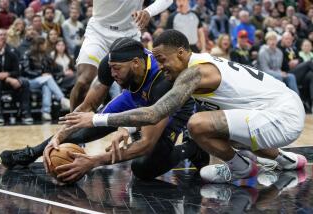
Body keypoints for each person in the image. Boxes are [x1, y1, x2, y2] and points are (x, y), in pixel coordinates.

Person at [61, 30, 307, 184]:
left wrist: (95, 119)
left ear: (181, 53)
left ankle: (241, 169)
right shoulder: (200, 63)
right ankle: (286, 160)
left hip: (282, 115)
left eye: (162, 59)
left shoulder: (193, 74)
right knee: (215, 123)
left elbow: (155, 113)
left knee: (198, 125)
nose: (160, 66)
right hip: (280, 106)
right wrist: (128, 129)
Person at [0, 38, 209, 183]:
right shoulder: (112, 64)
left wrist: (92, 162)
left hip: (172, 107)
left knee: (143, 168)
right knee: (84, 128)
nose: (112, 73)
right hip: (136, 97)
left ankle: (192, 148)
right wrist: (59, 137)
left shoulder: (163, 81)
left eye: (117, 69)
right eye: (110, 68)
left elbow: (146, 143)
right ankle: (31, 153)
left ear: (136, 64)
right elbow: (87, 108)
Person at [70, 0, 174, 112]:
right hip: (99, 31)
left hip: (129, 33)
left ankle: (134, 123)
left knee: (135, 82)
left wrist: (149, 11)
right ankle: (73, 125)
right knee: (84, 80)